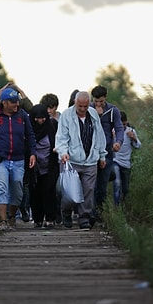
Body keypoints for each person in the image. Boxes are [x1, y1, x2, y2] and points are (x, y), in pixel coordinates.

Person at [0, 87, 37, 231]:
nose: (16, 105)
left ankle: (11, 216)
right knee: (2, 188)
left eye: (17, 102)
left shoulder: (22, 115)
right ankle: (3, 221)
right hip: (0, 159)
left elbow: (30, 135)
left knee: (18, 191)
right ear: (4, 102)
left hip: (18, 159)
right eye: (13, 102)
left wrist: (33, 153)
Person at [54, 90, 107, 229]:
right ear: (75, 103)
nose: (83, 109)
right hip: (71, 160)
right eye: (80, 106)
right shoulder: (66, 115)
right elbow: (61, 137)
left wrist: (102, 155)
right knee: (69, 193)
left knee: (88, 191)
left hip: (90, 160)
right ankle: (66, 212)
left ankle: (84, 218)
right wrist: (63, 153)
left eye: (85, 106)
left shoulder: (93, 114)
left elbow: (100, 136)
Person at [90, 85, 124, 217]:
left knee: (102, 186)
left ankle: (99, 212)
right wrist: (96, 115)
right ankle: (89, 213)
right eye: (96, 101)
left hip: (107, 151)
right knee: (90, 185)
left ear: (105, 98)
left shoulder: (113, 111)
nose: (98, 104)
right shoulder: (88, 109)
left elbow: (119, 128)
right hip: (91, 153)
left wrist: (118, 142)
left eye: (101, 101)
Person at [28, 103, 60, 228]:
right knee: (35, 192)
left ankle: (50, 218)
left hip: (50, 164)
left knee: (49, 190)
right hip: (34, 166)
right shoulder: (29, 128)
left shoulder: (52, 126)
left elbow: (59, 139)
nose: (40, 121)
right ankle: (37, 219)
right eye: (37, 118)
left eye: (43, 118)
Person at [112, 111, 141, 205]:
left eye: (123, 124)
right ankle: (116, 206)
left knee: (125, 188)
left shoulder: (131, 131)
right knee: (117, 184)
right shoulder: (112, 131)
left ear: (126, 122)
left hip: (126, 164)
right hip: (115, 161)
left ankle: (123, 205)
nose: (121, 126)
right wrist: (112, 138)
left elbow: (138, 146)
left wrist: (134, 138)